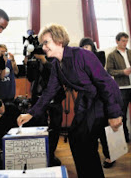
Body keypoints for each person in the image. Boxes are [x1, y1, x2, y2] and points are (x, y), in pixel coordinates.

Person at [17, 24, 123, 178]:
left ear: (59, 41)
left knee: (85, 141)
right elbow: (49, 92)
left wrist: (114, 114)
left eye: (46, 42)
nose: (43, 47)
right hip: (87, 98)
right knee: (74, 137)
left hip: (103, 97)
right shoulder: (56, 65)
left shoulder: (82, 55)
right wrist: (31, 114)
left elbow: (105, 83)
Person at [24, 54, 66, 166]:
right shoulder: (33, 59)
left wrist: (44, 61)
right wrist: (28, 63)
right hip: (38, 98)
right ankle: (41, 153)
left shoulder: (55, 57)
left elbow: (58, 74)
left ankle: (51, 154)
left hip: (55, 98)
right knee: (40, 125)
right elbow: (30, 78)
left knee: (55, 126)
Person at [79, 37, 115, 168]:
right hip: (87, 99)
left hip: (100, 99)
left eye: (87, 47)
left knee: (103, 130)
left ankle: (109, 156)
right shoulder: (79, 62)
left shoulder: (99, 57)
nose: (85, 49)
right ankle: (92, 156)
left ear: (92, 48)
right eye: (83, 47)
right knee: (90, 130)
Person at [107, 32, 131, 143]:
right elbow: (109, 71)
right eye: (123, 41)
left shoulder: (130, 52)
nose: (125, 43)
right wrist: (123, 72)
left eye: (126, 41)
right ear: (117, 41)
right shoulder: (112, 55)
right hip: (122, 88)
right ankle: (124, 138)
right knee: (122, 115)